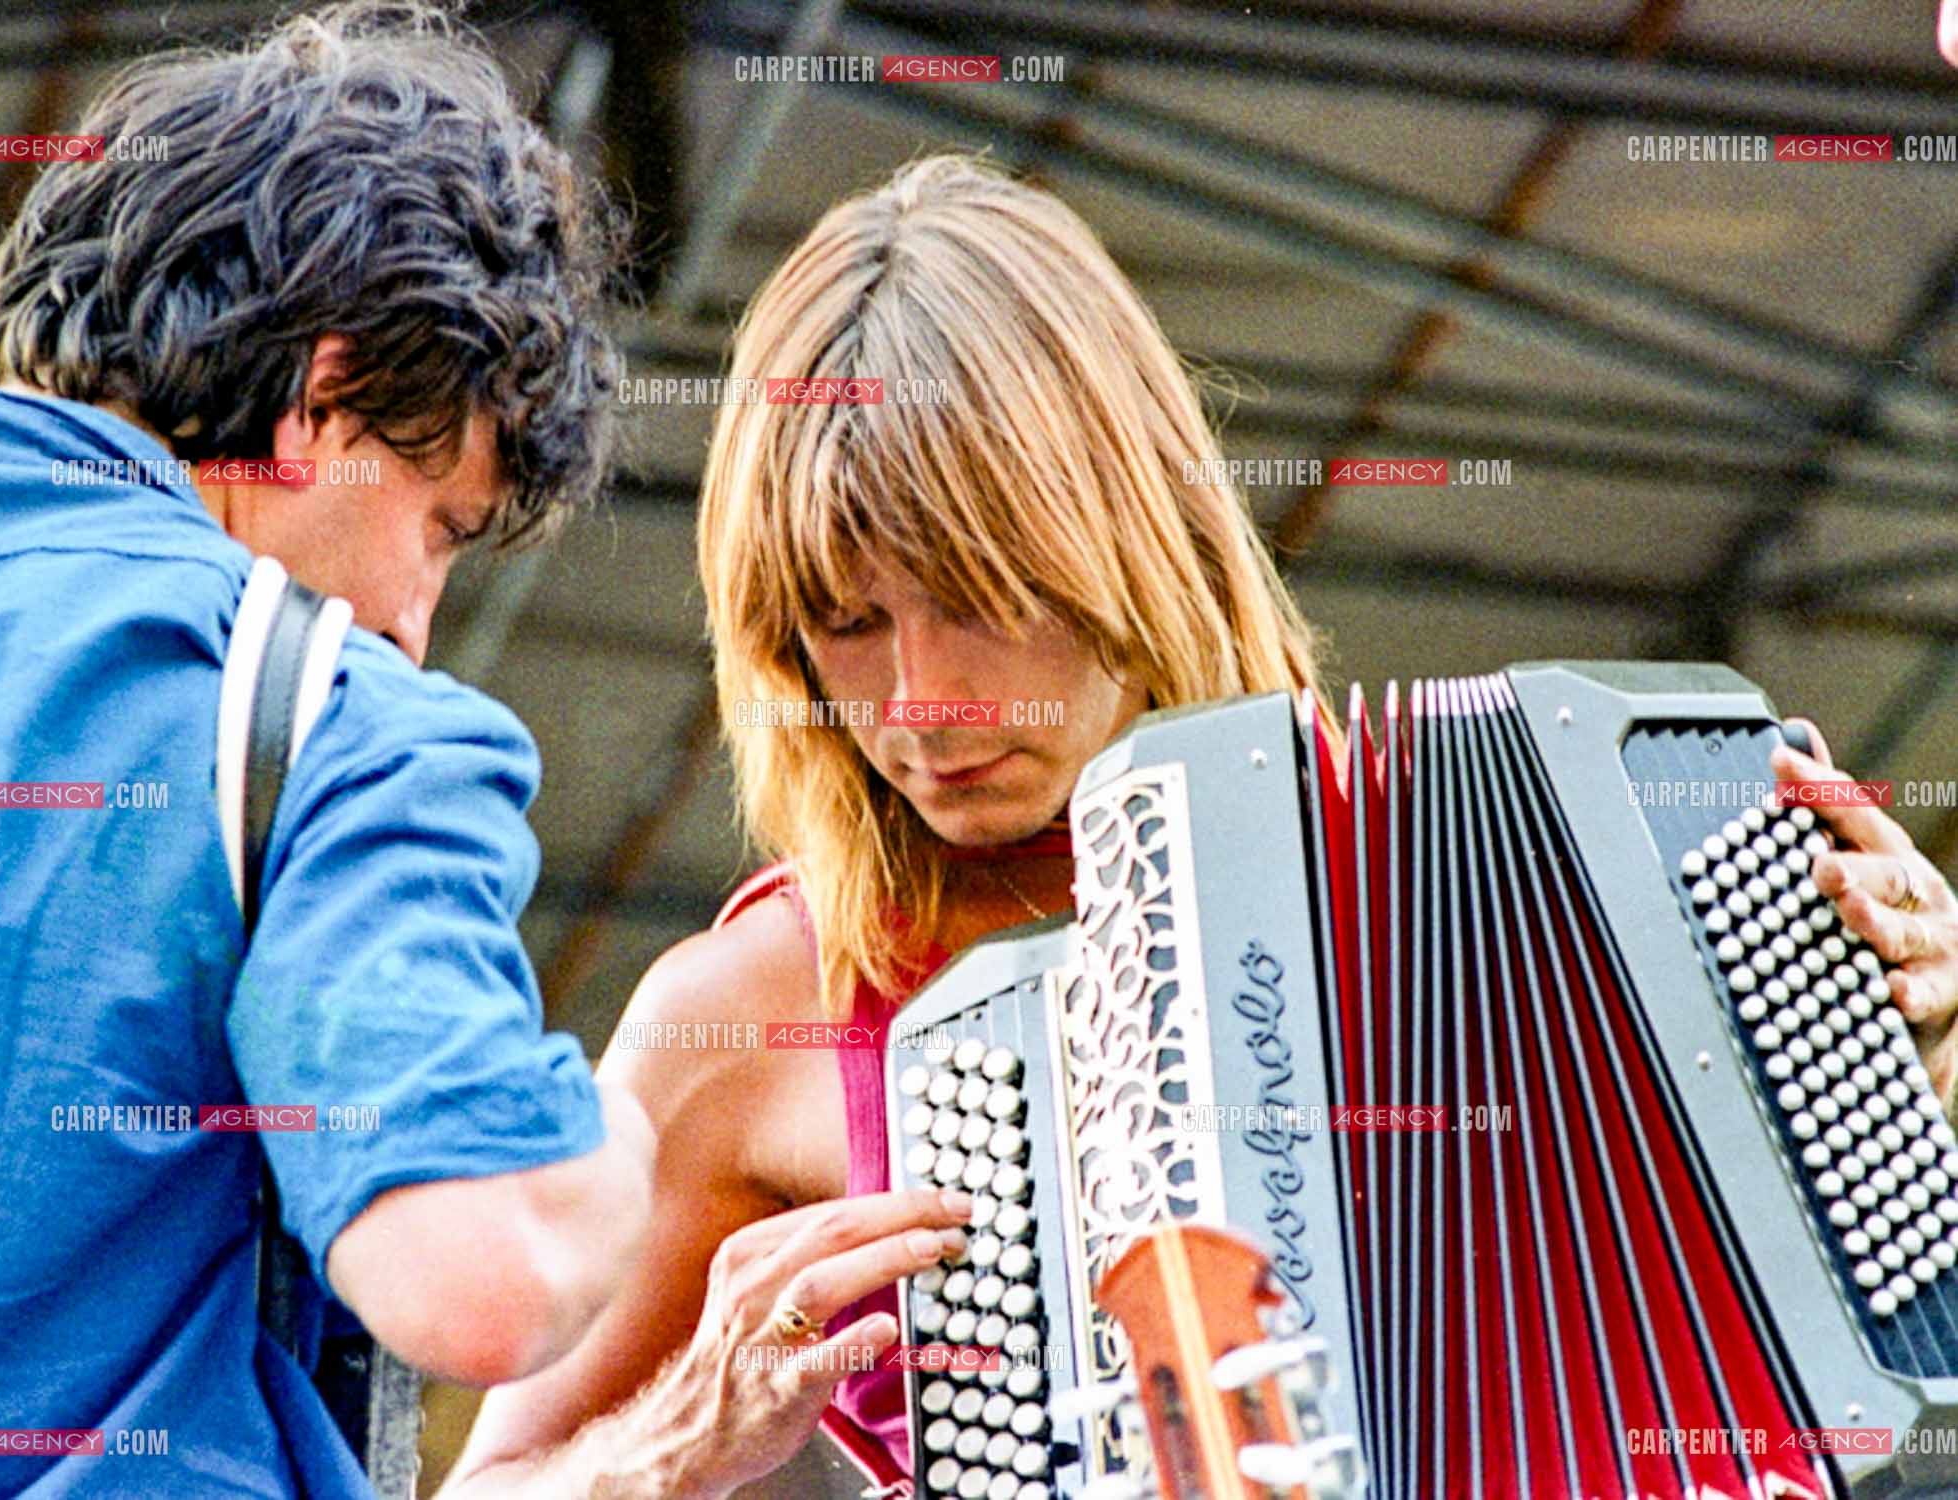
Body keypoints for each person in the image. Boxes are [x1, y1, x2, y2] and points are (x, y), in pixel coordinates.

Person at [442, 154, 1958, 1499]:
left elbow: (1857, 1343)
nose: (921, 704)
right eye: (844, 626)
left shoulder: (1483, 853)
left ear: (1125, 532)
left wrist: (1912, 1058)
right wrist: (673, 1445)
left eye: (978, 597)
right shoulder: (747, 1013)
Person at [0, 5, 654, 1497]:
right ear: (324, 400)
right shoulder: (317, 710)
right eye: (440, 527)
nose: (418, 617)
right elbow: (477, 1272)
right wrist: (621, 1137)